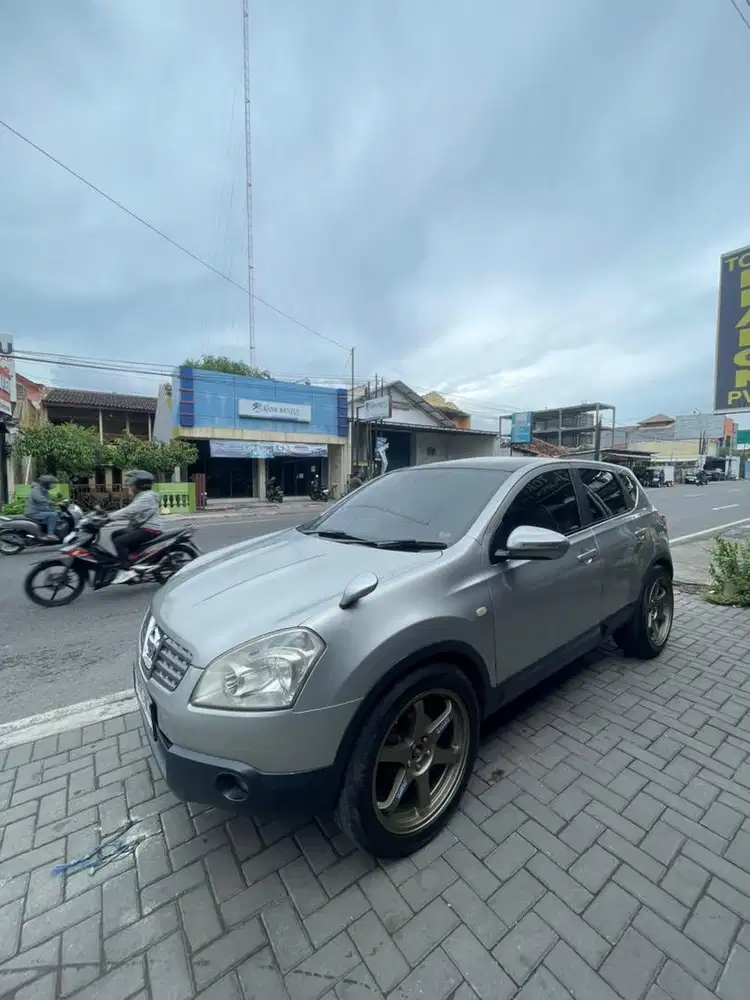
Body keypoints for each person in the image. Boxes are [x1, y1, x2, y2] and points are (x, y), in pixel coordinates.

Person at [109, 470, 162, 584]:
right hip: (142, 527)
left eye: (132, 484)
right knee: (115, 534)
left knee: (120, 541)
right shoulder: (142, 496)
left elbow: (130, 511)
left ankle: (126, 570)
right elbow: (132, 512)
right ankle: (133, 558)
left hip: (149, 529)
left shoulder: (146, 497)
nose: (130, 486)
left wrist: (109, 516)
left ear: (140, 484)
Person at [24, 474, 59, 539]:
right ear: (46, 483)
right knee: (53, 515)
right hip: (33, 512)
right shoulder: (36, 490)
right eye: (52, 484)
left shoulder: (44, 490)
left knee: (59, 512)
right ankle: (50, 534)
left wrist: (54, 506)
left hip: (39, 510)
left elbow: (47, 502)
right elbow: (41, 500)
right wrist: (54, 503)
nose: (53, 485)